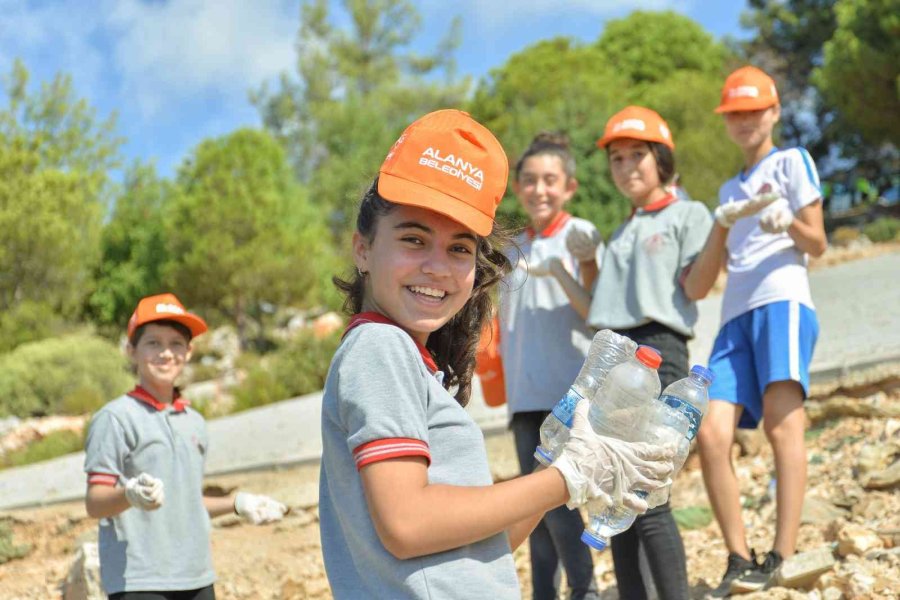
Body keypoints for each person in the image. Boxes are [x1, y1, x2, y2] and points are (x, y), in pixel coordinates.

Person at [317, 108, 675, 599]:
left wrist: (565, 460)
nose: (438, 267)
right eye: (413, 239)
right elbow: (407, 524)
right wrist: (567, 478)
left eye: (460, 249)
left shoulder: (405, 358)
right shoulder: (379, 347)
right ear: (362, 249)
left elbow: (487, 543)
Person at [688, 66, 827, 596]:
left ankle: (783, 556)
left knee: (782, 425)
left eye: (754, 110)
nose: (744, 120)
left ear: (773, 112)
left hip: (783, 302)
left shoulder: (793, 161)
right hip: (734, 317)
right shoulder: (729, 187)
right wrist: (722, 223)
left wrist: (784, 220)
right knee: (710, 432)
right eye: (734, 113)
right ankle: (739, 558)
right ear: (726, 121)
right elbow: (707, 280)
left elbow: (816, 243)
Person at [585, 106, 716, 600]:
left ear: (661, 157)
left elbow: (697, 285)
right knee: (614, 492)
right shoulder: (620, 231)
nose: (626, 167)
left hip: (660, 353)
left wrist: (723, 229)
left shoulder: (688, 213)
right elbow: (598, 309)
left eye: (636, 155)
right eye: (616, 159)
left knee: (648, 493)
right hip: (616, 356)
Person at [84, 293, 288, 599]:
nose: (166, 353)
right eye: (153, 343)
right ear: (131, 350)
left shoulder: (194, 421)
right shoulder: (115, 418)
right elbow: (95, 502)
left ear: (189, 352)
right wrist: (129, 495)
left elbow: (188, 503)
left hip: (197, 576)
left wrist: (237, 503)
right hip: (140, 582)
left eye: (176, 343)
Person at [498, 132, 603, 600]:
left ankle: (586, 589)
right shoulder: (510, 248)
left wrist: (574, 265)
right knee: (531, 511)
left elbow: (597, 312)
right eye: (530, 181)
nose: (539, 190)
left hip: (567, 393)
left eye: (549, 181)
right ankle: (544, 593)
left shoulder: (579, 236)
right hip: (523, 395)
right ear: (518, 188)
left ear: (569, 187)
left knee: (554, 501)